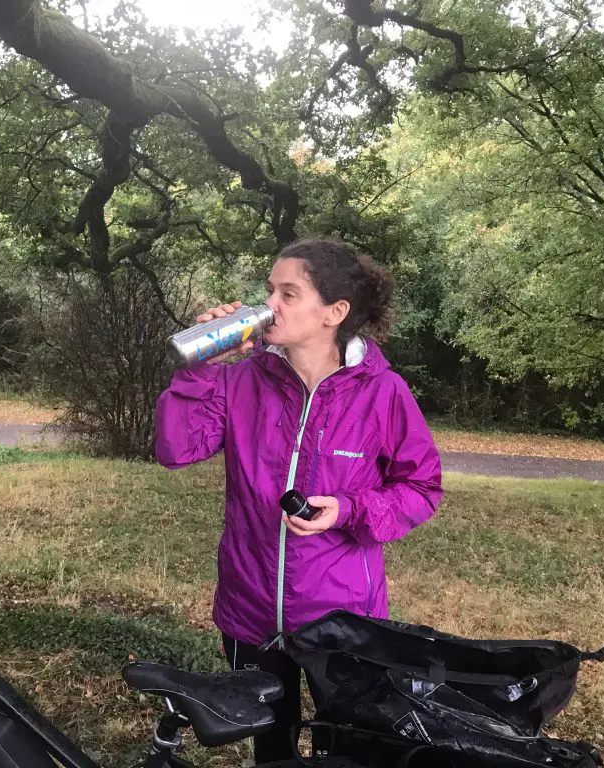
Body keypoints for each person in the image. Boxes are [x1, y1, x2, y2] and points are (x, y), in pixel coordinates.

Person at [155, 237, 443, 763]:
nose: (270, 306)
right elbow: (176, 449)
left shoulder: (384, 394)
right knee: (272, 742)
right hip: (250, 611)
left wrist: (351, 510)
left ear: (335, 312)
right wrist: (200, 366)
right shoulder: (240, 380)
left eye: (289, 293)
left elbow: (421, 488)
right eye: (270, 290)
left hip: (342, 619)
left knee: (345, 744)